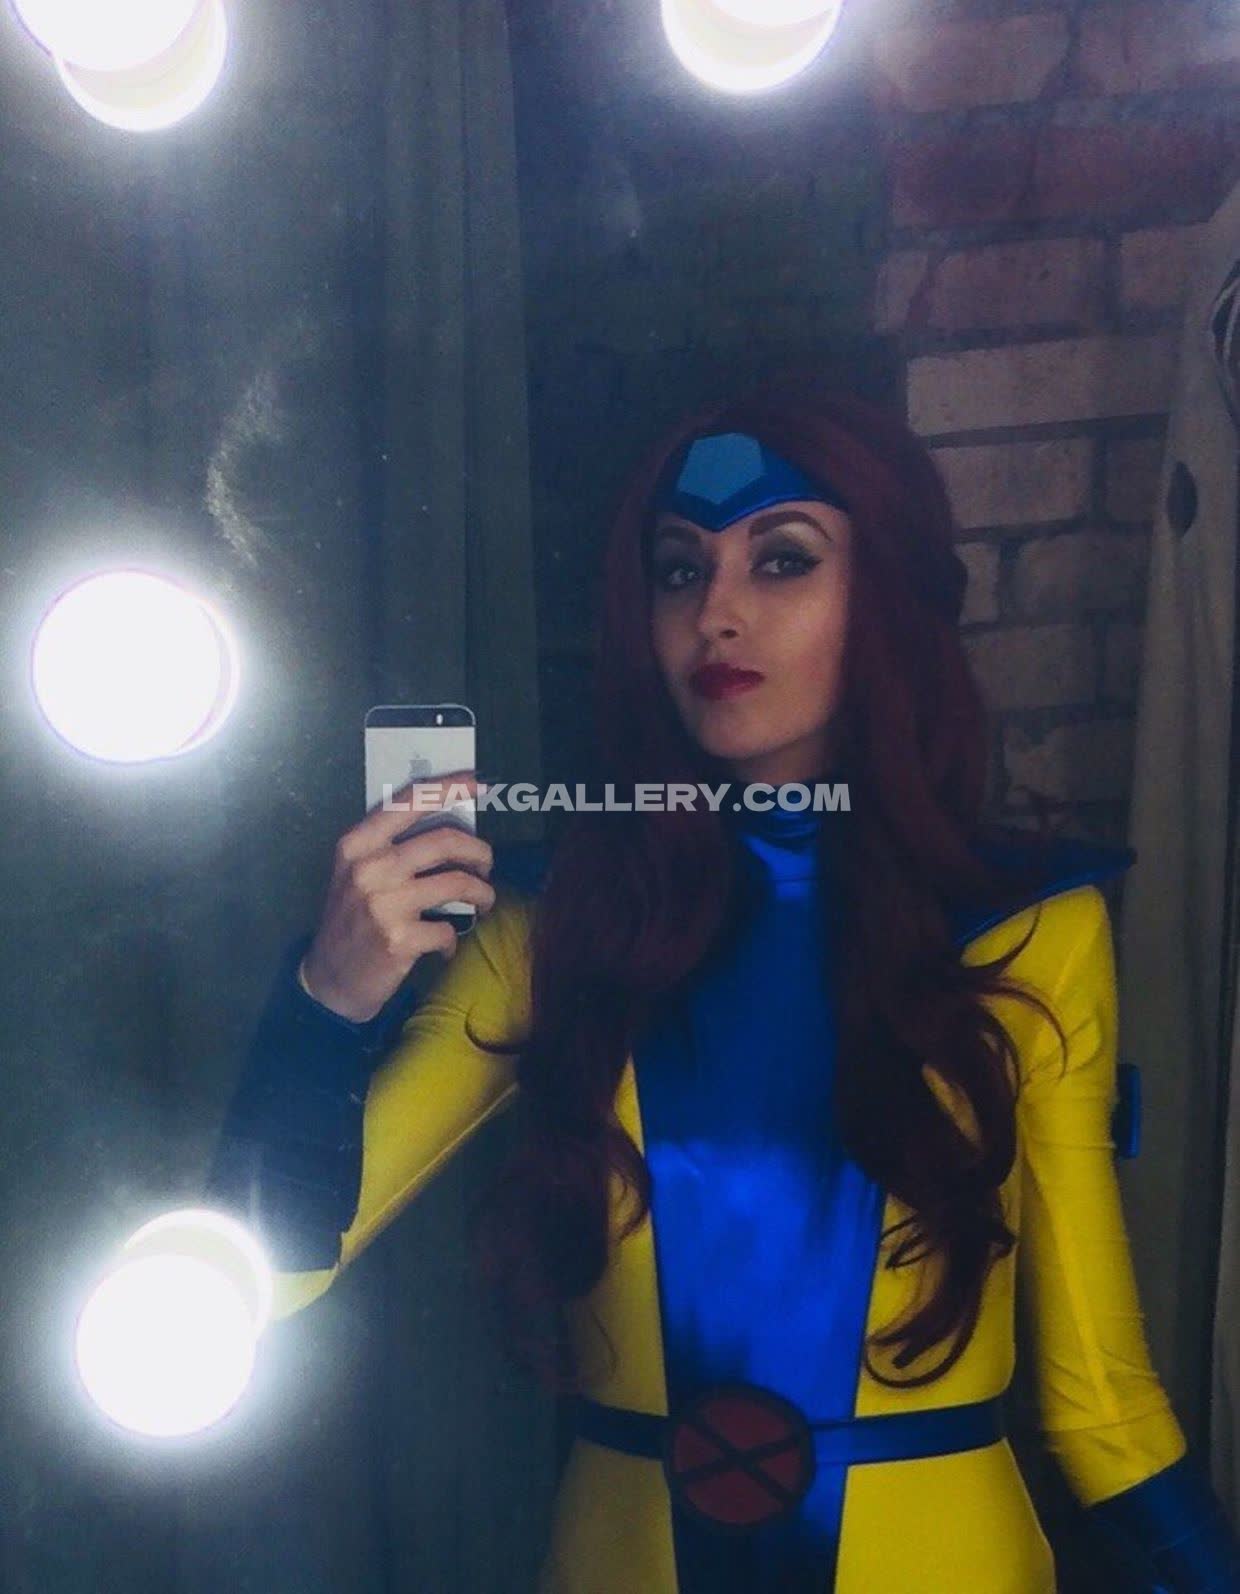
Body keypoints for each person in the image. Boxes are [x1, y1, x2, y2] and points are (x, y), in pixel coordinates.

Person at [207, 380, 1240, 1592]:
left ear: (884, 597)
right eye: (680, 570)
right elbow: (265, 1281)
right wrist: (325, 1003)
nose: (717, 614)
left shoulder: (1027, 929)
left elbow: (1103, 1406)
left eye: (782, 559)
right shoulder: (551, 924)